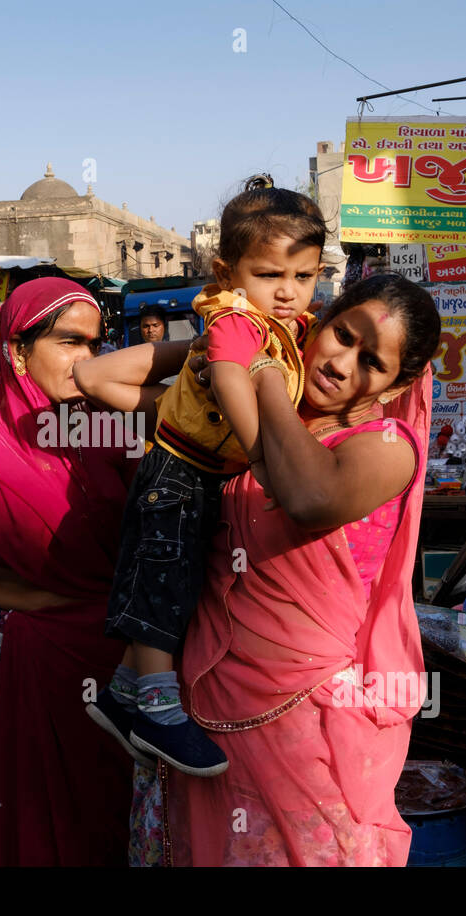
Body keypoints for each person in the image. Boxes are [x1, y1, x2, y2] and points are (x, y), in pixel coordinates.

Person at [97, 273, 438, 865]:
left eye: (372, 362)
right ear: (322, 318)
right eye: (342, 334)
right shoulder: (238, 415)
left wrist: (263, 374)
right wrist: (224, 339)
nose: (341, 362)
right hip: (199, 707)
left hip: (303, 718)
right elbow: (98, 379)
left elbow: (308, 499)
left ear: (398, 383)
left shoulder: (386, 446)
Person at [76, 174, 324, 777]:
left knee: (175, 578)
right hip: (181, 472)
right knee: (162, 577)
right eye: (270, 275)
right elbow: (237, 382)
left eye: (304, 275)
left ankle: (124, 693)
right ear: (226, 271)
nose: (288, 291)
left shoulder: (284, 329)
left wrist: (180, 400)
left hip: (199, 471)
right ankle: (159, 710)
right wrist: (263, 456)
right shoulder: (236, 321)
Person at [0, 278, 142, 866]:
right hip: (11, 658)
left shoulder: (117, 433)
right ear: (17, 352)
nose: (87, 359)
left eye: (96, 344)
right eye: (69, 341)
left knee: (103, 824)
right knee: (13, 823)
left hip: (108, 667)